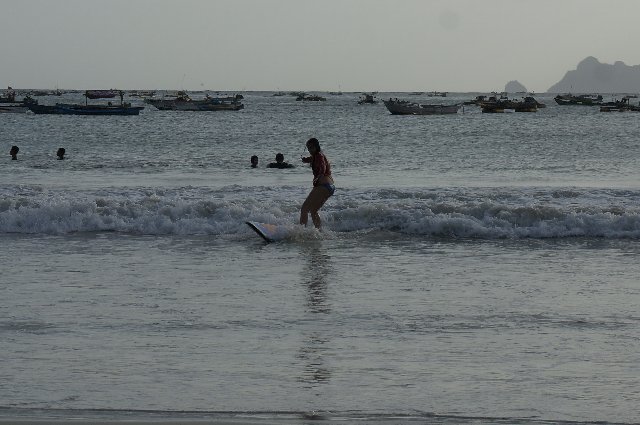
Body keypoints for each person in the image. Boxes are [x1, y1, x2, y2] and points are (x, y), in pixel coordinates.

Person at [300, 137, 335, 229]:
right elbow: (312, 159)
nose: (310, 150)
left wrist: (318, 178)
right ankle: (320, 232)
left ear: (316, 147)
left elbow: (322, 168)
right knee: (313, 211)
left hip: (323, 186)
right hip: (330, 187)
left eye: (311, 148)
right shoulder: (318, 155)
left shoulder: (319, 156)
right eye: (308, 148)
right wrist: (305, 160)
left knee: (304, 209)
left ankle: (300, 232)